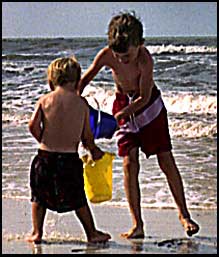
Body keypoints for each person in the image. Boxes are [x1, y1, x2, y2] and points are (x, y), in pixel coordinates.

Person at [78, 12, 199, 239]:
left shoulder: (145, 59)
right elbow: (86, 79)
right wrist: (74, 98)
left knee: (165, 159)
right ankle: (137, 224)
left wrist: (121, 115)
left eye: (127, 55)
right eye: (118, 55)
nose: (122, 60)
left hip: (149, 108)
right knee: (128, 164)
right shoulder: (106, 55)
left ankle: (184, 214)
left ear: (140, 44)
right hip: (123, 103)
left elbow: (143, 97)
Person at [26, 56, 111, 244]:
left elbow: (32, 125)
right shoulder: (81, 104)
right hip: (69, 160)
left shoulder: (44, 100)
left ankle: (37, 232)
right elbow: (86, 136)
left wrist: (43, 140)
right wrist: (93, 150)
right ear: (77, 80)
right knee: (78, 198)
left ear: (52, 80)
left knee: (38, 197)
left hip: (44, 157)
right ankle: (91, 233)